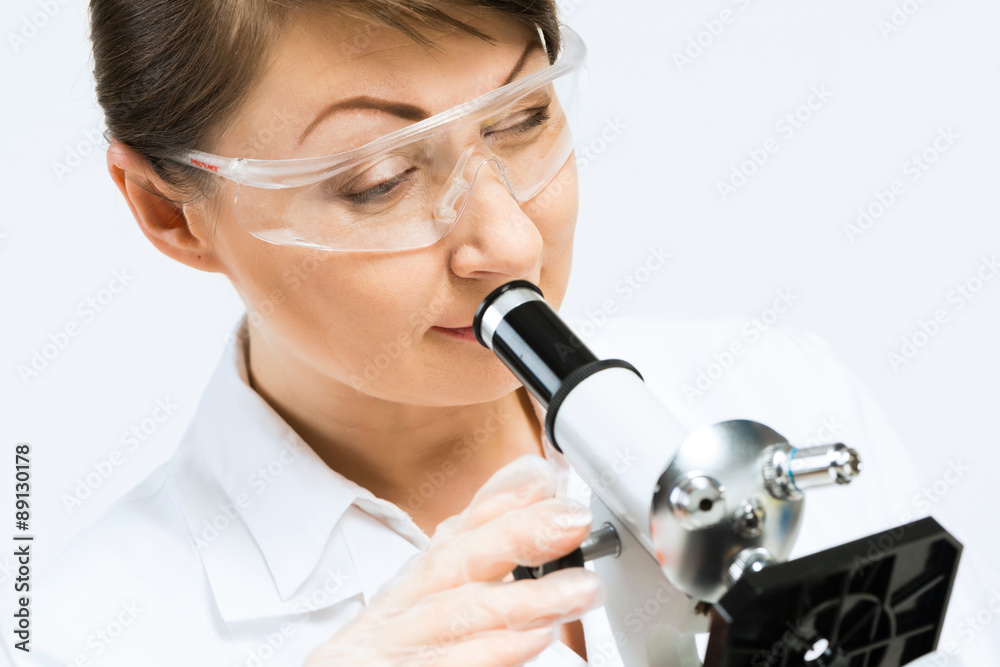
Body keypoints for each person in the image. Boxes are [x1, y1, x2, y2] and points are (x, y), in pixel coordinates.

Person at [4, 1, 992, 666]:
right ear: (169, 213)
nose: (509, 240)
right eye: (376, 179)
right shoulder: (85, 631)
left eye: (521, 118)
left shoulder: (780, 392)